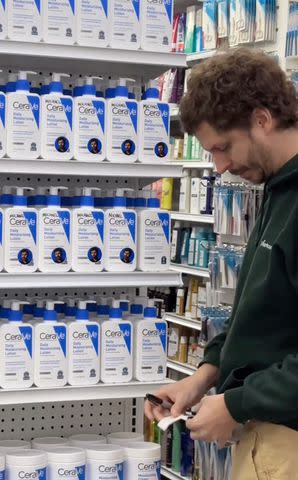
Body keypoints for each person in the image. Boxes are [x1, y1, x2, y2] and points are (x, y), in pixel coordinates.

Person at [145, 48, 298, 479]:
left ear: (262, 119)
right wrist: (203, 376)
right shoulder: (279, 187)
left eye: (223, 147)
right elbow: (260, 307)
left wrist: (235, 404)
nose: (222, 167)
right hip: (266, 433)